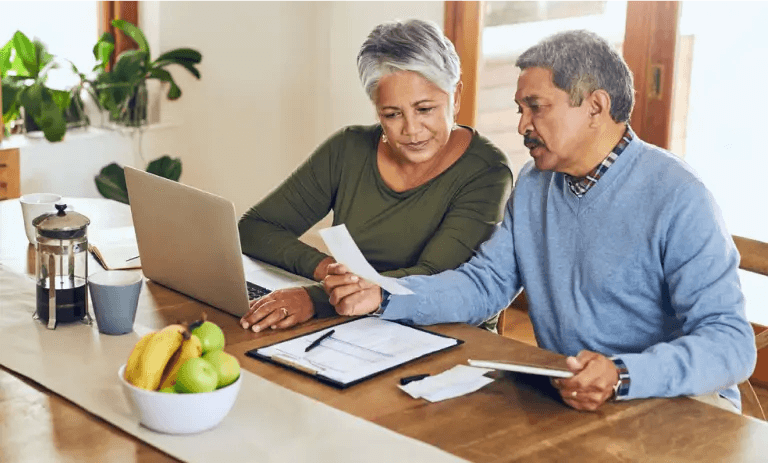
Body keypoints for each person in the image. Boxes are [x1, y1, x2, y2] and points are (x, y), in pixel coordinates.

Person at [323, 30, 756, 412]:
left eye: (535, 108)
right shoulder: (535, 183)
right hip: (574, 400)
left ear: (595, 106)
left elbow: (731, 344)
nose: (521, 126)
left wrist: (622, 375)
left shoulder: (679, 195)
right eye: (519, 109)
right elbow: (485, 284)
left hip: (678, 408)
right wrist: (384, 296)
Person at [238, 19, 513, 334]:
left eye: (425, 109)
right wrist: (330, 272)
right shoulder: (348, 148)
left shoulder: (487, 171)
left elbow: (436, 278)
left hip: (444, 335)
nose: (411, 130)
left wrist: (316, 298)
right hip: (354, 327)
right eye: (392, 114)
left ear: (456, 96)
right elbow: (255, 229)